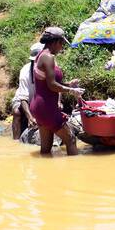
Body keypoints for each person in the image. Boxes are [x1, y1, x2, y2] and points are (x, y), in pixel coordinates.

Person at [29, 27, 80, 156]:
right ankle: (75, 173)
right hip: (47, 108)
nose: (62, 47)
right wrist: (71, 90)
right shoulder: (48, 58)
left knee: (46, 149)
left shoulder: (40, 55)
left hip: (39, 107)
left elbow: (47, 83)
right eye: (62, 43)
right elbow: (52, 86)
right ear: (55, 42)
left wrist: (68, 84)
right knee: (71, 139)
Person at [11, 42, 45, 139]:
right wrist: (30, 117)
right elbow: (23, 98)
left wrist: (58, 102)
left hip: (42, 100)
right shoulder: (25, 72)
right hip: (26, 100)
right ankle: (16, 141)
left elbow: (57, 85)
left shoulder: (51, 67)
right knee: (17, 111)